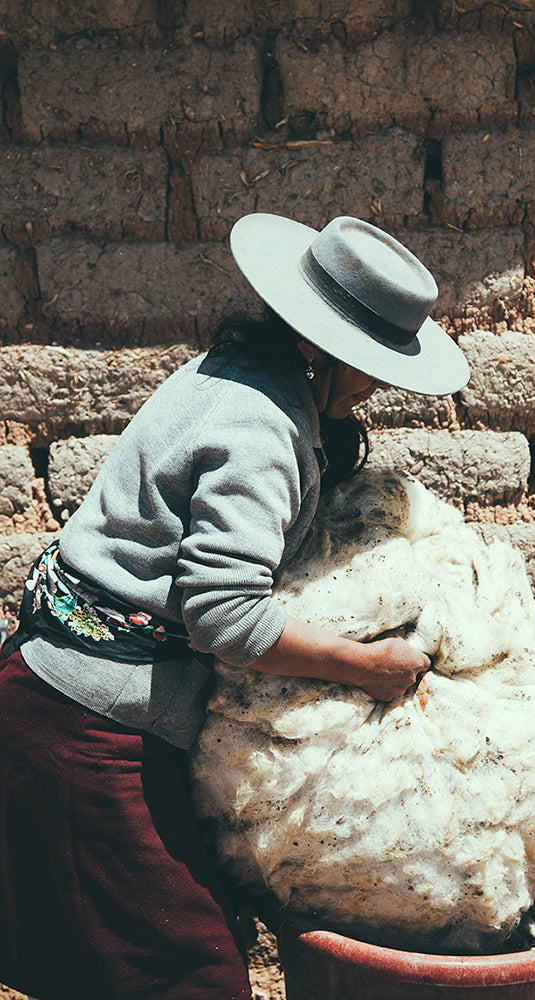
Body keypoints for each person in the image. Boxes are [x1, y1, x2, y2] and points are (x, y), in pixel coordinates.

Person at [0, 213, 470, 1000]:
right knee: (192, 974)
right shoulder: (260, 427)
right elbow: (224, 616)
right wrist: (366, 666)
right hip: (86, 729)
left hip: (56, 696)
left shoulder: (233, 371)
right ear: (316, 343)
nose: (377, 385)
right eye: (369, 364)